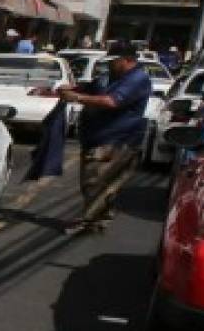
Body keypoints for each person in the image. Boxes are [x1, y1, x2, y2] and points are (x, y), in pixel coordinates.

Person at [57, 42, 151, 235]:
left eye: (113, 61)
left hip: (115, 140)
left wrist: (76, 98)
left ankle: (88, 220)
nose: (109, 65)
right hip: (98, 137)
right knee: (100, 183)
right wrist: (74, 89)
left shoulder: (137, 78)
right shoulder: (115, 76)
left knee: (94, 181)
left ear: (126, 60)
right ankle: (99, 218)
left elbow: (112, 101)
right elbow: (93, 88)